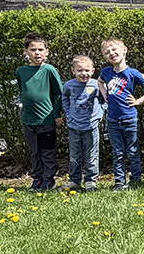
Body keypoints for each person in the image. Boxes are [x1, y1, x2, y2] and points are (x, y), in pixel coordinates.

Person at [99, 38, 144, 191]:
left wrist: (140, 101)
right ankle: (119, 181)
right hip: (112, 120)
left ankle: (136, 179)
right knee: (117, 152)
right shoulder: (106, 72)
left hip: (130, 119)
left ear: (124, 50)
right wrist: (104, 92)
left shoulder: (133, 73)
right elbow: (99, 82)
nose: (112, 53)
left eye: (114, 50)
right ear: (105, 57)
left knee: (132, 150)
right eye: (107, 52)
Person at [16, 33, 64, 191]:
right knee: (35, 151)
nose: (37, 53)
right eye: (33, 49)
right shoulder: (21, 71)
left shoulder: (49, 70)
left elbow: (58, 93)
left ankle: (48, 179)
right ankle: (37, 179)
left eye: (40, 49)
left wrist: (56, 114)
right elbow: (22, 91)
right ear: (26, 52)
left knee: (47, 151)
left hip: (47, 119)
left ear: (47, 52)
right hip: (29, 120)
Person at [61, 55, 105, 192]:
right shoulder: (69, 85)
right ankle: (74, 180)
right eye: (79, 70)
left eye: (87, 70)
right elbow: (65, 99)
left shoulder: (97, 85)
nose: (84, 73)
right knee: (74, 156)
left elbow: (105, 100)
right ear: (73, 71)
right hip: (74, 127)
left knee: (91, 155)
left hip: (91, 127)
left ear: (93, 71)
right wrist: (68, 114)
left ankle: (91, 181)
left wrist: (101, 113)